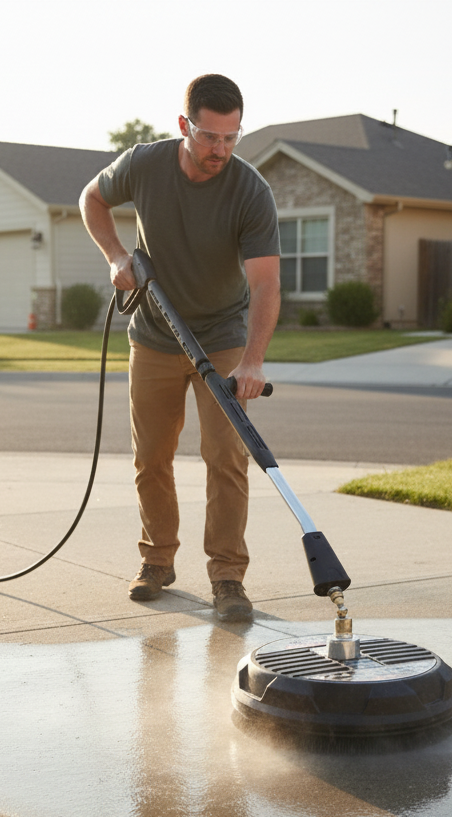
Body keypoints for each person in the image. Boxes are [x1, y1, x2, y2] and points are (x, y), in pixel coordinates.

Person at [80, 73, 281, 622]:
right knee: (152, 458)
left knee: (226, 458)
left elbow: (265, 283)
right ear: (183, 125)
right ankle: (157, 561)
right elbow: (91, 198)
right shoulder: (144, 164)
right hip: (153, 332)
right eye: (210, 136)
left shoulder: (249, 190)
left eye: (232, 137)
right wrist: (117, 256)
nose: (220, 149)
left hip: (220, 339)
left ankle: (227, 577)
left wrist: (253, 360)